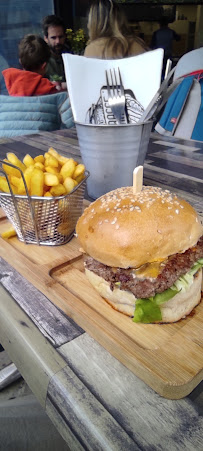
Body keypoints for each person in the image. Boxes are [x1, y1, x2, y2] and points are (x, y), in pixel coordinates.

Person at [42, 15, 70, 86]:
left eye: (61, 37)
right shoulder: (41, 60)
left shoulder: (70, 54)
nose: (58, 41)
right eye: (53, 38)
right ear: (46, 38)